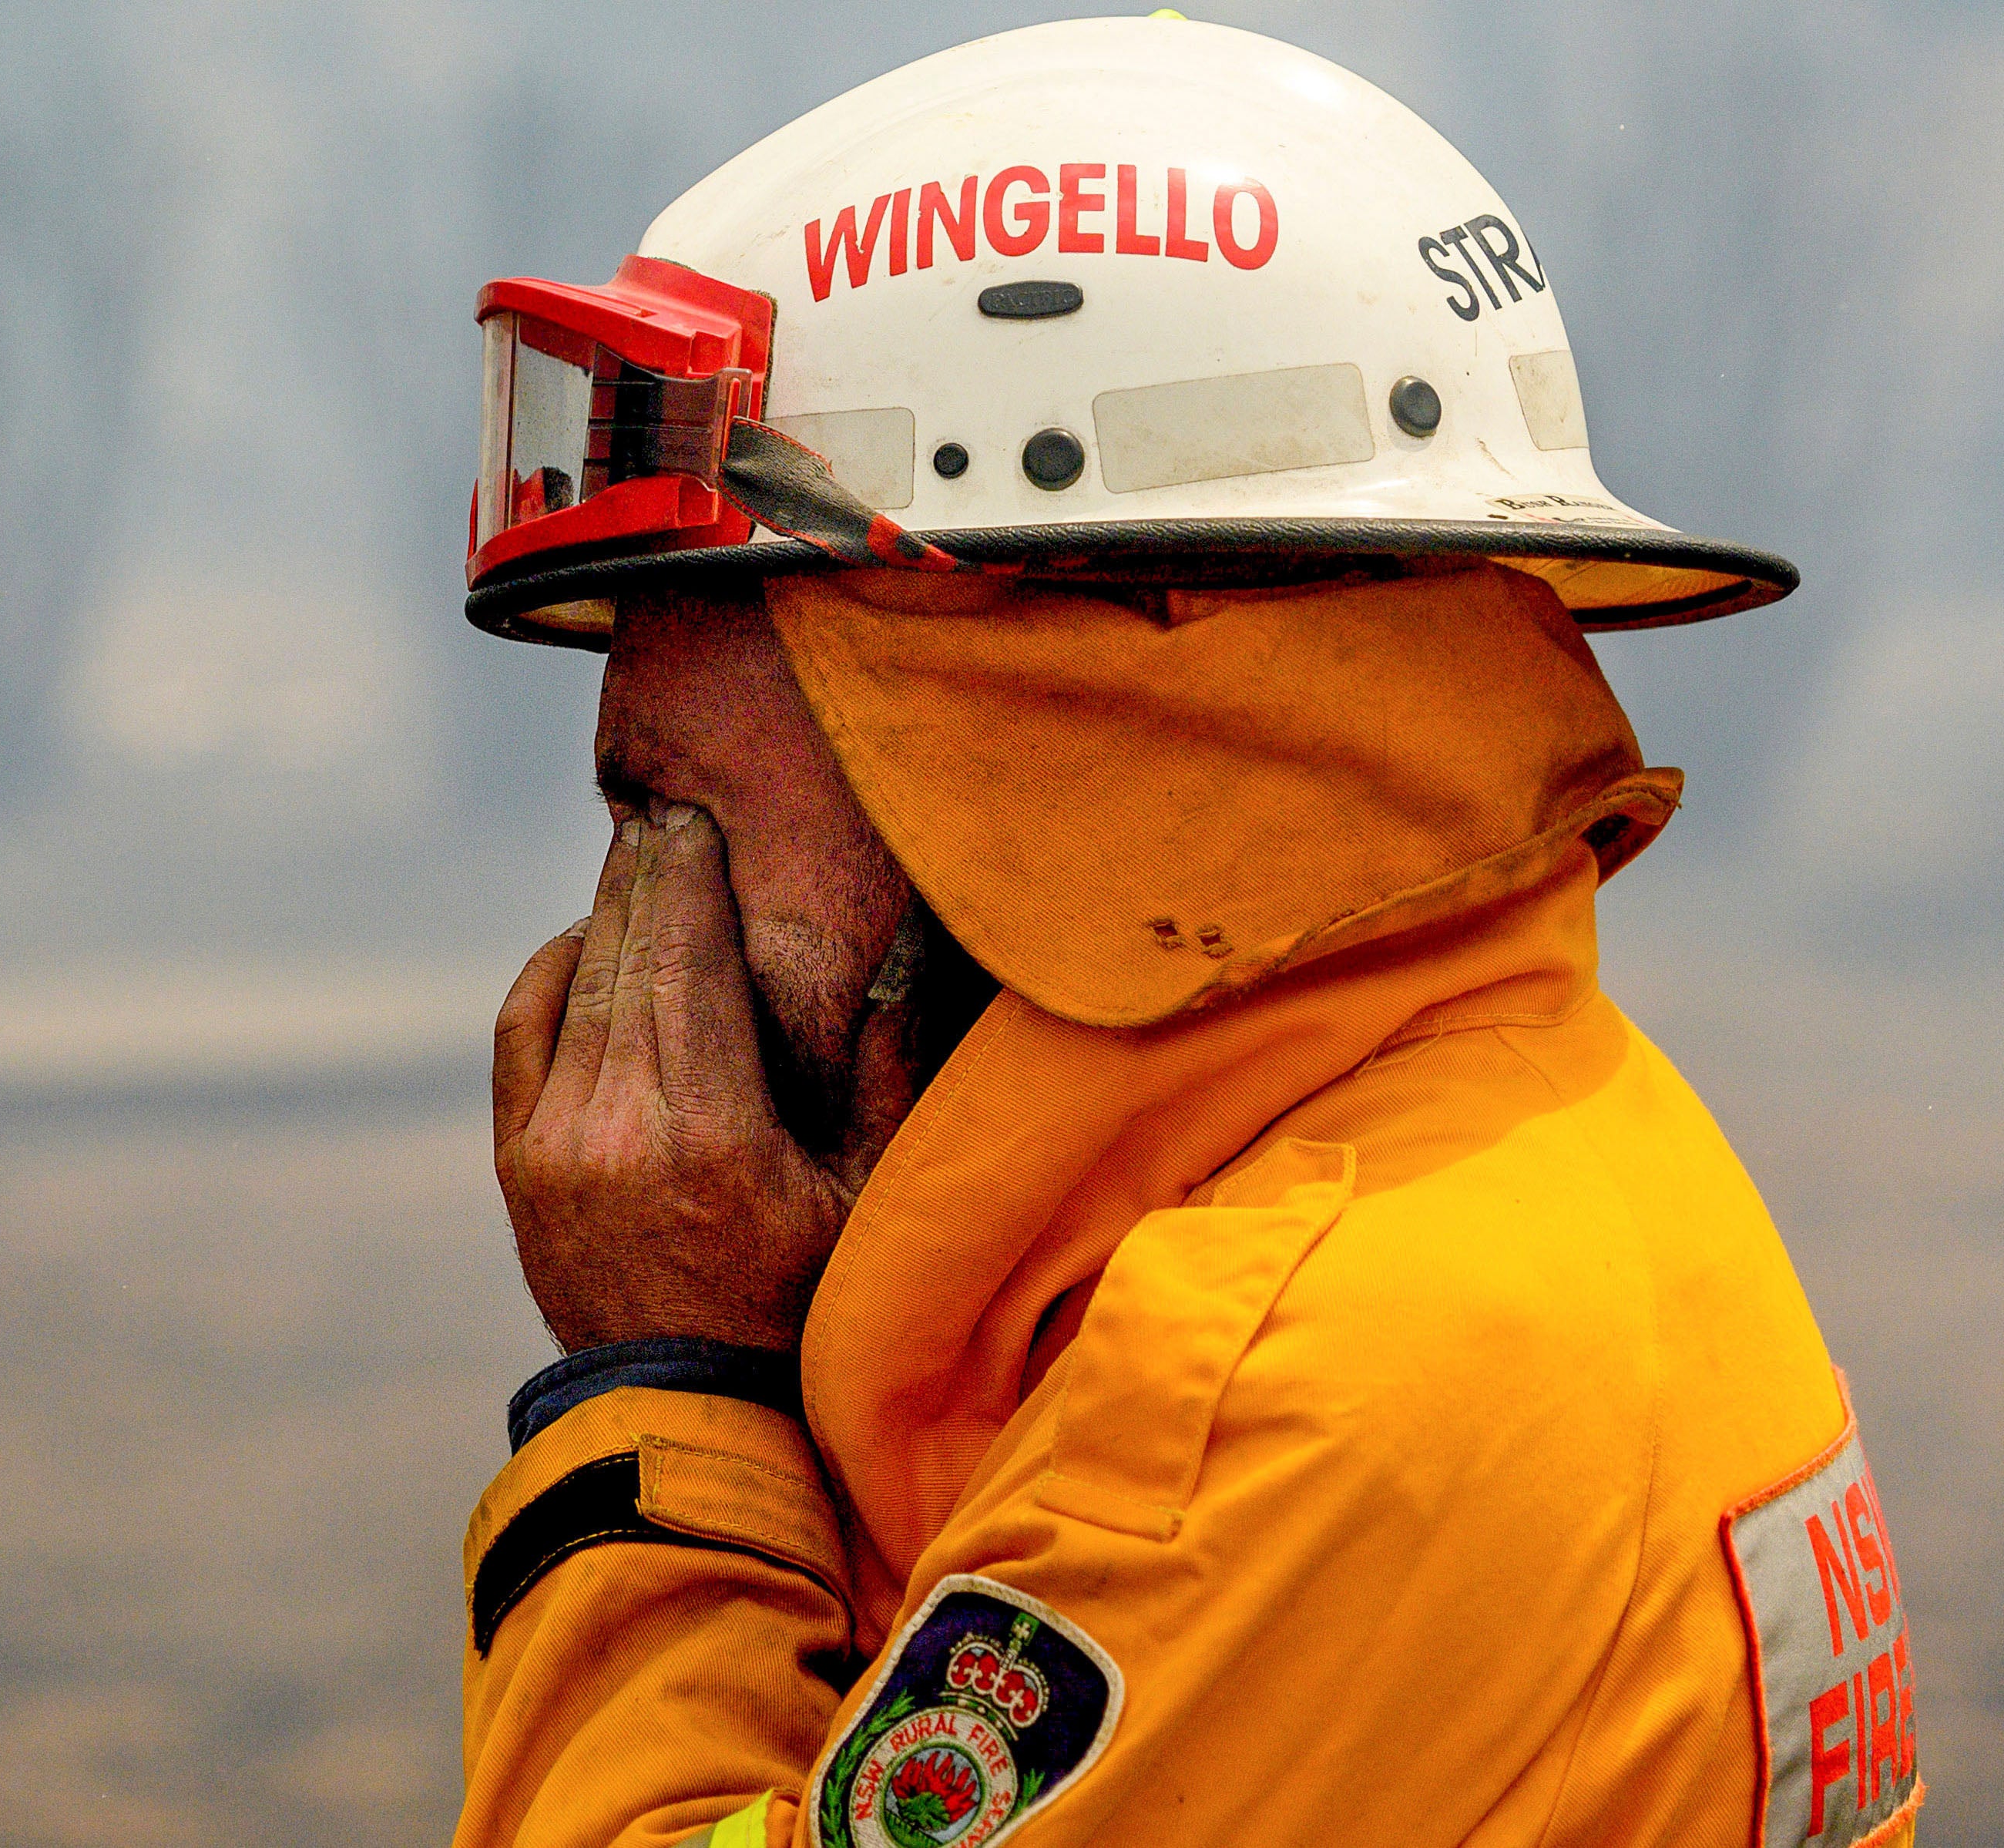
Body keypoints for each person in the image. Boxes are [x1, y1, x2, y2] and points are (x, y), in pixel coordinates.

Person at [452, 17, 1922, 1848]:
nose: (622, 935)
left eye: (665, 807)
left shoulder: (1281, 1389)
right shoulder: (1491, 1138)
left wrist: (661, 1389)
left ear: (1024, 721)